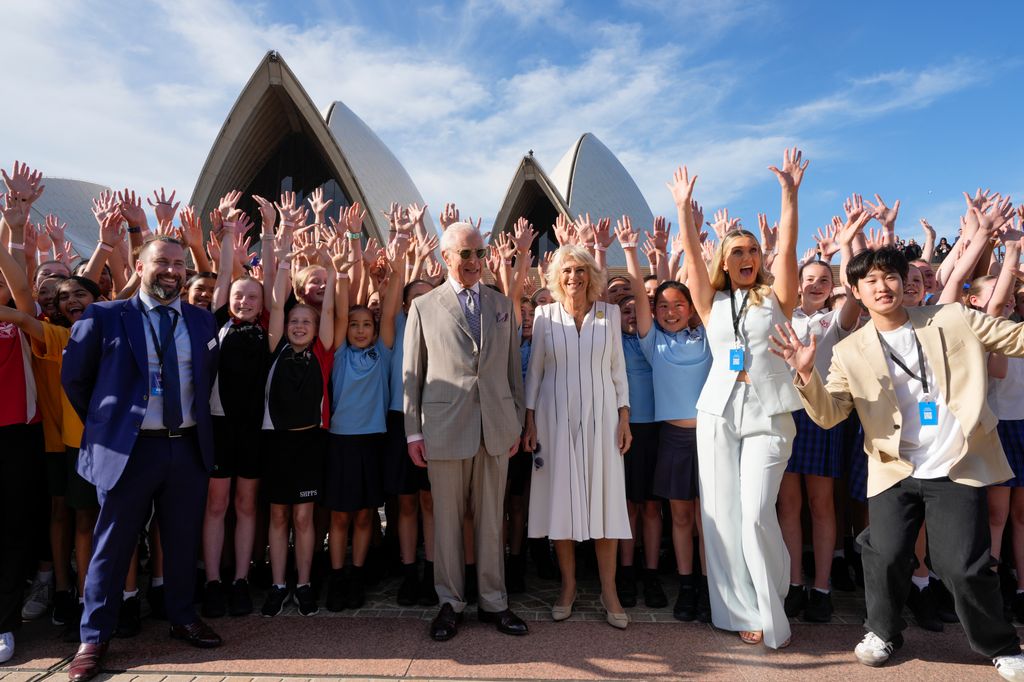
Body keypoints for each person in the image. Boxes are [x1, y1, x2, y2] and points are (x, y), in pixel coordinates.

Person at [772, 246, 1024, 679]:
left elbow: (1014, 338)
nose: (881, 286)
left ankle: (999, 643)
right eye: (869, 281)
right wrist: (806, 375)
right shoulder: (851, 351)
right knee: (884, 553)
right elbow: (830, 413)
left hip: (954, 463)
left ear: (904, 281)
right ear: (855, 291)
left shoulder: (951, 318)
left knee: (963, 565)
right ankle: (883, 631)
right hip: (894, 468)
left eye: (889, 276)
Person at [62, 235, 223, 682]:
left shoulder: (201, 321)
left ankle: (181, 616)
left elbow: (204, 380)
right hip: (129, 451)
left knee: (181, 538)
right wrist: (110, 426)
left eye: (179, 263)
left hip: (186, 445)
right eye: (162, 262)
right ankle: (93, 637)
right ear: (139, 266)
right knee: (112, 546)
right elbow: (76, 381)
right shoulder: (104, 316)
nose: (172, 270)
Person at [667, 147, 808, 649]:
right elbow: (689, 258)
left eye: (751, 251)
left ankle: (773, 607)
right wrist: (684, 210)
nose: (745, 258)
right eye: (736, 253)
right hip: (717, 412)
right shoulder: (712, 301)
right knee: (722, 516)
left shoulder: (778, 297)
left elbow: (787, 252)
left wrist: (790, 196)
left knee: (754, 512)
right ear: (724, 262)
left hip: (769, 414)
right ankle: (737, 610)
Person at [403, 221, 527, 641]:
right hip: (443, 429)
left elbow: (513, 372)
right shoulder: (423, 307)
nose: (475, 261)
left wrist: (515, 422)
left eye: (479, 253)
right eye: (466, 254)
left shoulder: (501, 304)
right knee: (448, 523)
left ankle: (494, 602)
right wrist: (413, 433)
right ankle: (450, 604)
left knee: (492, 519)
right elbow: (412, 375)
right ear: (446, 257)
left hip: (496, 429)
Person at [523, 244, 632, 629]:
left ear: (591, 274)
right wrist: (530, 419)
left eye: (580, 270)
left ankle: (609, 589)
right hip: (554, 418)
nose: (574, 277)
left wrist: (624, 417)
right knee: (562, 502)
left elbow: (618, 370)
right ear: (556, 277)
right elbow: (534, 372)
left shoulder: (610, 314)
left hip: (603, 418)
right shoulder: (545, 316)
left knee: (605, 502)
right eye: (567, 271)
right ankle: (568, 587)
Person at [617, 216, 714, 623]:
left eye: (679, 305)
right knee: (680, 515)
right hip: (673, 438)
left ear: (692, 308)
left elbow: (702, 285)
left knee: (711, 517)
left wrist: (690, 236)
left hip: (712, 437)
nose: (670, 311)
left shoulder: (708, 333)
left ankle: (713, 587)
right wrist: (630, 252)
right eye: (663, 306)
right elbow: (639, 295)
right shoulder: (652, 340)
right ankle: (688, 586)